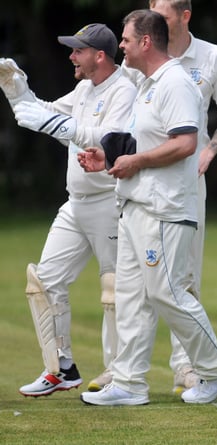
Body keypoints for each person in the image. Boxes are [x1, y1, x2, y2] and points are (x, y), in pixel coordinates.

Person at [77, 9, 217, 406]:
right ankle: (129, 383)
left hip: (165, 209)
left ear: (145, 42)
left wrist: (136, 163)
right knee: (131, 297)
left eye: (126, 40)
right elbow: (144, 142)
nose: (121, 46)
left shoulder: (175, 82)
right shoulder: (148, 85)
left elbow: (186, 143)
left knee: (167, 292)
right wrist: (109, 158)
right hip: (135, 205)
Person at [0, 24, 136, 397]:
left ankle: (117, 372)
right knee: (45, 281)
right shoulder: (84, 88)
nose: (72, 56)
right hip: (76, 203)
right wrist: (15, 88)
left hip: (110, 201)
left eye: (78, 51)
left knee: (114, 288)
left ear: (99, 56)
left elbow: (112, 138)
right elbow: (42, 113)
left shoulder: (124, 89)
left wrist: (61, 125)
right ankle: (61, 367)